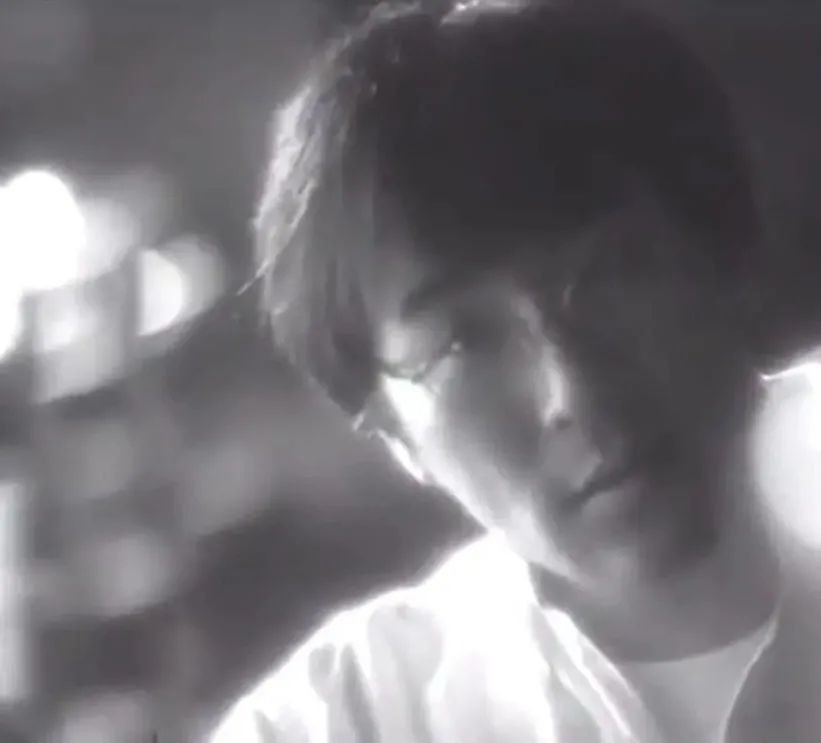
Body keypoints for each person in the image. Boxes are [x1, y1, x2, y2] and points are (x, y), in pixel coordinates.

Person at [211, 0, 820, 740]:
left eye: (605, 276)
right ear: (391, 431)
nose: (575, 390)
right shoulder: (349, 717)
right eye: (462, 343)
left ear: (726, 252)